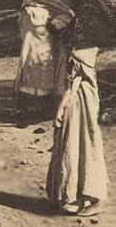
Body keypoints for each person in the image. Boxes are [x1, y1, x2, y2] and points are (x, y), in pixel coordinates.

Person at [47, 45, 109, 215]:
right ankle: (76, 196)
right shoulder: (90, 54)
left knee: (74, 145)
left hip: (76, 105)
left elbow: (72, 85)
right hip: (86, 105)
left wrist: (60, 109)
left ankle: (88, 197)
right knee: (83, 145)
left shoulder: (78, 55)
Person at [15, 0, 75, 126]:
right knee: (27, 76)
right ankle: (25, 112)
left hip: (47, 46)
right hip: (29, 44)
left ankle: (45, 112)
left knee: (47, 77)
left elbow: (68, 14)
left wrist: (55, 23)